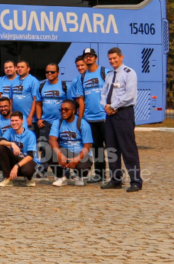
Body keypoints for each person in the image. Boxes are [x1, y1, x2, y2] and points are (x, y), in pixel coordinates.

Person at [101, 47, 142, 192]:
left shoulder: (129, 73)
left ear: (121, 57)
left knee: (128, 148)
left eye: (114, 58)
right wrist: (105, 106)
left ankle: (136, 181)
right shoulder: (109, 74)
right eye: (110, 59)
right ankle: (115, 179)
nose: (112, 61)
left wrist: (113, 106)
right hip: (110, 115)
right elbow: (104, 92)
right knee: (112, 148)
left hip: (124, 114)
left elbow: (129, 95)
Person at [75, 48, 110, 183]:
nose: (88, 58)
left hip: (104, 118)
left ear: (96, 58)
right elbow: (81, 100)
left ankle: (115, 175)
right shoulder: (82, 78)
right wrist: (81, 119)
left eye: (91, 56)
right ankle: (100, 175)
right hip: (89, 119)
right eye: (86, 56)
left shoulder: (104, 72)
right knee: (96, 149)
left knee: (111, 146)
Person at [49, 100, 93, 187]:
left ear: (74, 111)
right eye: (61, 109)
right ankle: (61, 177)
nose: (63, 112)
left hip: (79, 153)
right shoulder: (57, 122)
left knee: (83, 167)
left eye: (66, 109)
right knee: (47, 150)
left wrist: (77, 159)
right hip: (64, 152)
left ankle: (79, 176)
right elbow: (52, 140)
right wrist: (60, 155)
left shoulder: (83, 124)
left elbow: (87, 146)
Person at [35, 63, 68, 175]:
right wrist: (39, 119)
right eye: (47, 72)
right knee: (44, 146)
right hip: (46, 121)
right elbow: (38, 104)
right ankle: (43, 169)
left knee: (62, 145)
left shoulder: (64, 85)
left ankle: (65, 168)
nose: (49, 74)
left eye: (52, 72)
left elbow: (70, 104)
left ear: (58, 73)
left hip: (61, 122)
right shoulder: (42, 86)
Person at [0, 111, 38, 187]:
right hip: (15, 158)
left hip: (27, 160)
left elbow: (30, 156)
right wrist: (12, 144)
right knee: (2, 148)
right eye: (12, 121)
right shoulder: (9, 131)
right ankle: (7, 179)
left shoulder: (30, 135)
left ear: (22, 121)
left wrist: (16, 166)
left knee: (27, 170)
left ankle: (29, 178)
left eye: (16, 120)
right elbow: (1, 142)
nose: (14, 123)